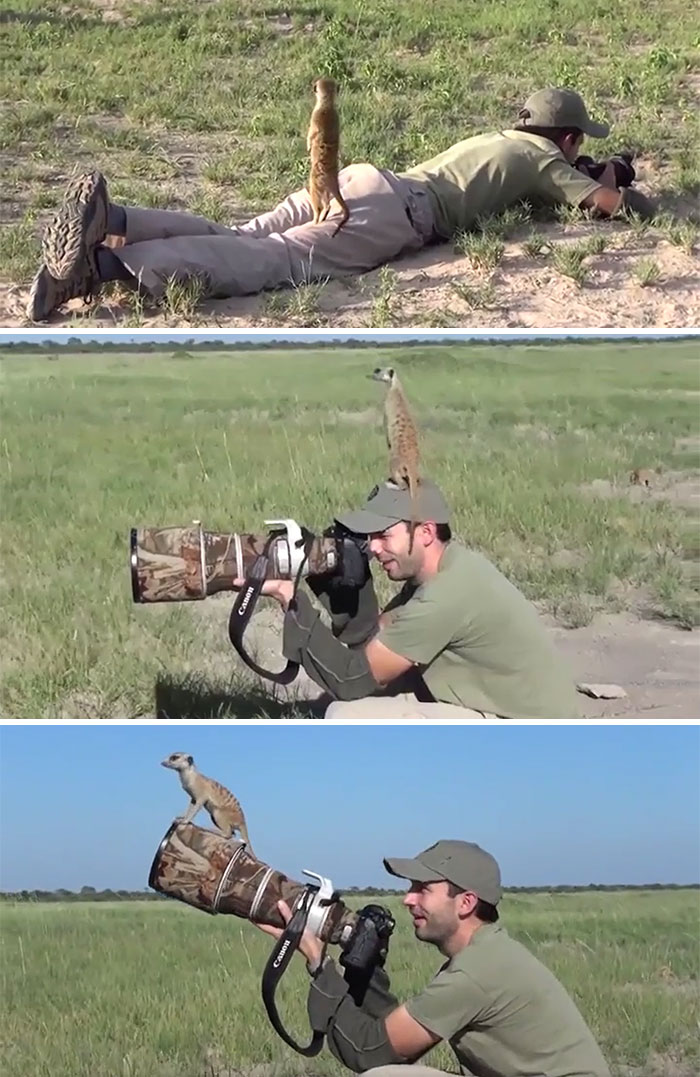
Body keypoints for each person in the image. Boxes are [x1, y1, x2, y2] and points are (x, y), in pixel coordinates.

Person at [26, 87, 657, 321]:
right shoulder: (545, 159)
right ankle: (101, 270)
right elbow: (610, 205)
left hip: (366, 181)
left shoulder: (506, 141)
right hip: (392, 216)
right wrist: (619, 179)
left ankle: (114, 222)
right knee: (268, 263)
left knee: (243, 233)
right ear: (569, 139)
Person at [231, 477, 581, 720]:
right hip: (523, 708)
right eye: (369, 538)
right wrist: (340, 583)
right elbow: (372, 642)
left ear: (426, 532)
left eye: (383, 536)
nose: (374, 548)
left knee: (343, 715)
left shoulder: (446, 596)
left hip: (519, 723)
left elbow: (351, 680)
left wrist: (290, 598)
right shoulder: (447, 568)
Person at [257, 839, 612, 1077]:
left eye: (422, 889)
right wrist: (365, 963)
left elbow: (369, 1052)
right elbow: (395, 1039)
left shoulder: (476, 974)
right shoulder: (485, 954)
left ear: (466, 903)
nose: (408, 900)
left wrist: (319, 964)